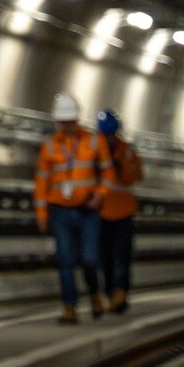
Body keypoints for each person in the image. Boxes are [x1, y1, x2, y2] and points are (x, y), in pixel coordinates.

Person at [34, 92, 110, 322]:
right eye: (63, 122)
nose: (67, 125)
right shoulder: (50, 145)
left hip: (87, 211)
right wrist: (41, 213)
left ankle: (95, 294)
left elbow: (107, 173)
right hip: (59, 211)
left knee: (88, 259)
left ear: (77, 119)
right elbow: (41, 182)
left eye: (70, 121)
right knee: (65, 260)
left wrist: (100, 194)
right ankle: (69, 307)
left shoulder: (94, 141)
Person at [95, 109, 144, 313]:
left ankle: (121, 294)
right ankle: (109, 293)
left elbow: (136, 176)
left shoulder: (127, 151)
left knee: (122, 256)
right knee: (104, 256)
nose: (109, 139)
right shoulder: (95, 150)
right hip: (101, 212)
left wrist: (121, 165)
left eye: (111, 135)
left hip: (123, 213)